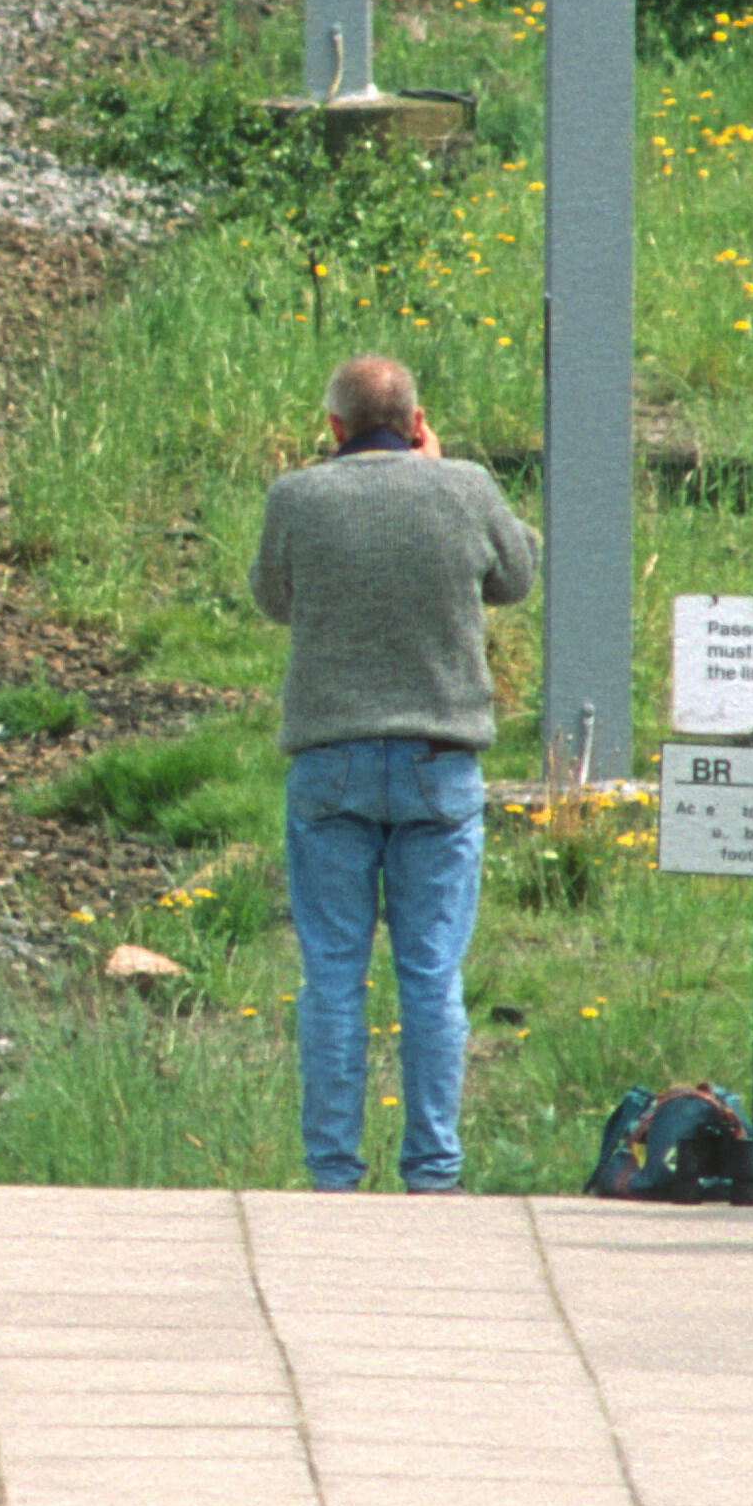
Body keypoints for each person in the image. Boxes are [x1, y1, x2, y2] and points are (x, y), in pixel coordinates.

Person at [248, 352, 538, 1193]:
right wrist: (439, 468)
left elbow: (273, 598)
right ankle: (432, 1172)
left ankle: (333, 1171)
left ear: (333, 428)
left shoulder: (295, 496)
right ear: (415, 423)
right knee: (430, 975)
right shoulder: (463, 484)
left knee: (332, 975)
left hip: (329, 760)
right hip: (439, 763)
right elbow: (516, 575)